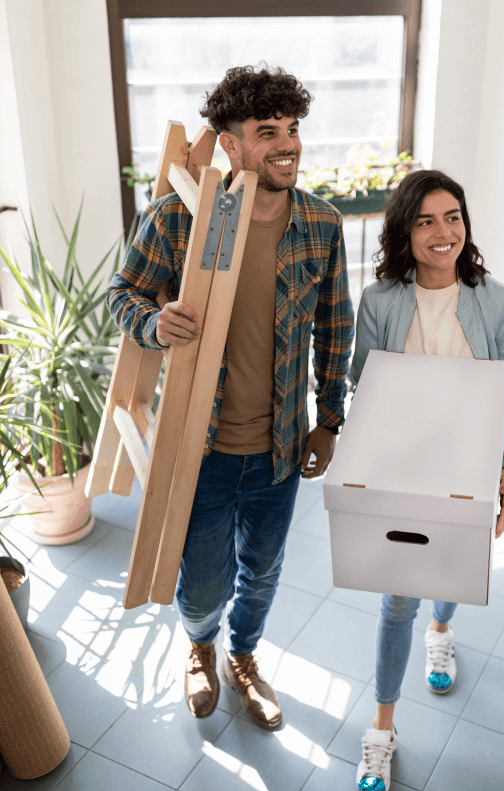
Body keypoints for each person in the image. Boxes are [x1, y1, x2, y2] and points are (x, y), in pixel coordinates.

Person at [106, 64, 354, 730]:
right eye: (266, 130)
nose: (287, 144)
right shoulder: (181, 219)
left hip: (279, 452)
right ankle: (199, 644)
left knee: (263, 571)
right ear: (231, 145)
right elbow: (121, 295)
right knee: (205, 582)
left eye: (294, 129)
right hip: (202, 449)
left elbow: (336, 327)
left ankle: (244, 657)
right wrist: (154, 323)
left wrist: (328, 422)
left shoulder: (322, 226)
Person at [349, 169, 504, 791]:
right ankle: (381, 726)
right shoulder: (380, 301)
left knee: (451, 579)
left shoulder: (500, 302)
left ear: (466, 223)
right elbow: (362, 388)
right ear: (405, 229)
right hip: (403, 475)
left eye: (452, 216)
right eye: (426, 220)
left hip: (470, 477)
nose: (443, 232)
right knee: (398, 599)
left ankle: (442, 633)